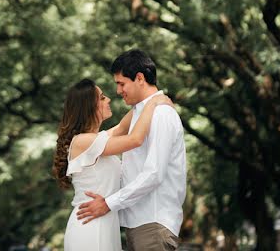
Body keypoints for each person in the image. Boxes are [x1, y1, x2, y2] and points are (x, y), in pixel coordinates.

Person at [77, 49, 187, 251]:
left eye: (121, 83)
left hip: (153, 221)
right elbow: (119, 131)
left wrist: (109, 203)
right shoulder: (141, 113)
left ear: (139, 78)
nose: (118, 91)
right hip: (137, 222)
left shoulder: (161, 113)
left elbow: (154, 173)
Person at [53, 78, 172, 251]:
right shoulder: (82, 141)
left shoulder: (93, 141)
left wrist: (148, 97)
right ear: (88, 106)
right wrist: (153, 103)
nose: (108, 99)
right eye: (102, 98)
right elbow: (135, 139)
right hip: (90, 226)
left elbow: (120, 129)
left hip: (104, 222)